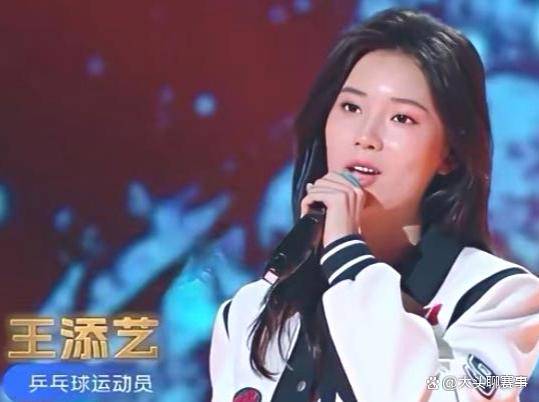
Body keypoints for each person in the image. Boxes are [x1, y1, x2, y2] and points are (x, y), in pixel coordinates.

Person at [209, 8, 539, 402]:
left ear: (449, 154)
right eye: (351, 107)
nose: (366, 135)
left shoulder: (498, 297)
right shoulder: (248, 313)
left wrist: (345, 252)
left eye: (401, 118)